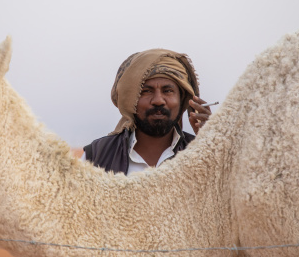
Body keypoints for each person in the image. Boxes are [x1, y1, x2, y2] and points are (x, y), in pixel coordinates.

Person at [81, 49, 213, 175]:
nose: (158, 101)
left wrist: (213, 145)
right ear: (130, 100)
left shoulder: (201, 154)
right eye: (146, 91)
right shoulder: (96, 157)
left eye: (167, 91)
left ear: (182, 99)